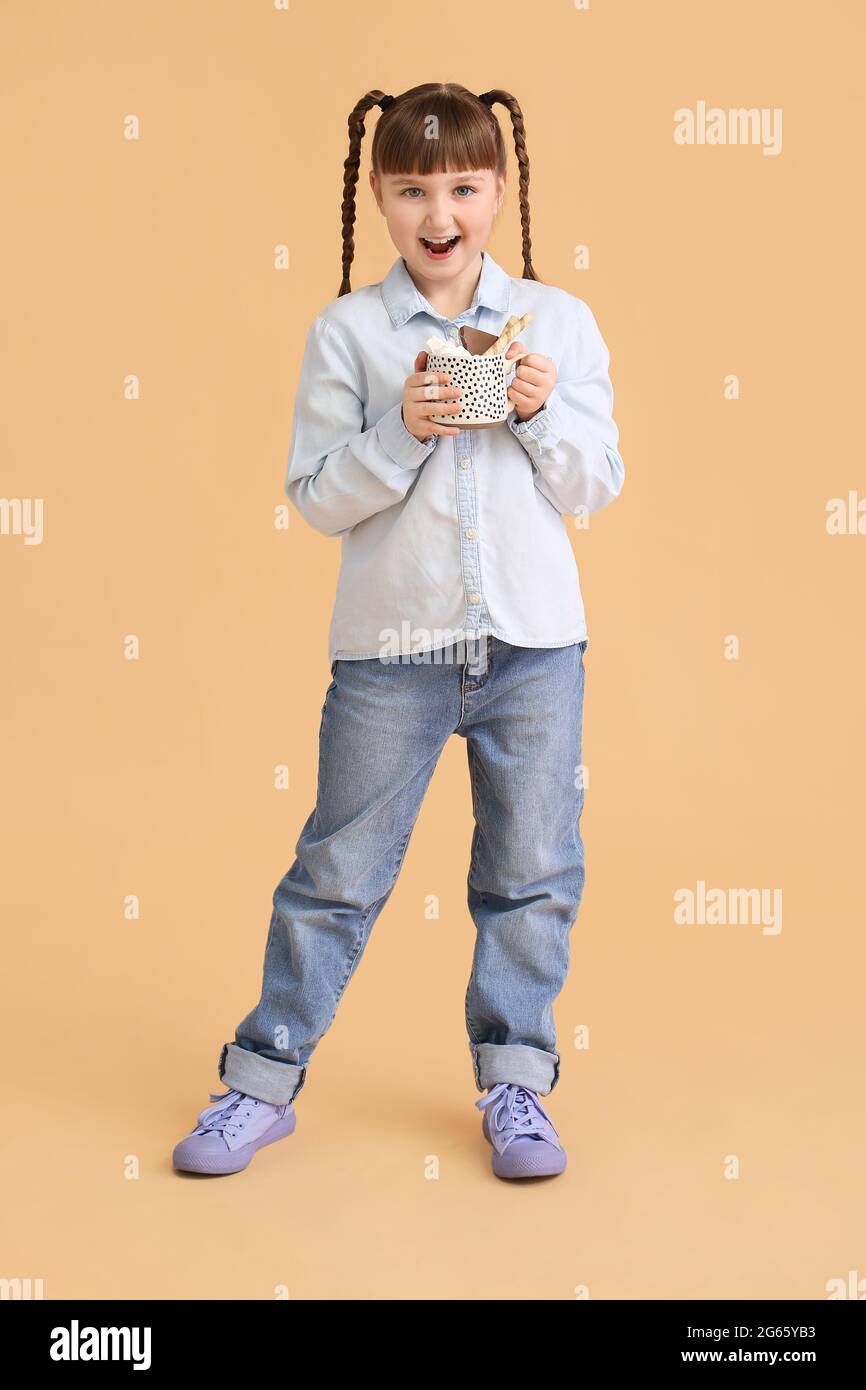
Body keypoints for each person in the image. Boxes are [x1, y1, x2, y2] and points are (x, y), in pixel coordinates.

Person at [172, 82, 625, 1182]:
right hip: (392, 650)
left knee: (530, 867)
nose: (440, 212)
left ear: (498, 191)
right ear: (378, 193)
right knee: (335, 869)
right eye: (414, 187)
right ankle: (259, 1080)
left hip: (533, 649)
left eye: (463, 186)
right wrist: (401, 430)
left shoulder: (555, 324)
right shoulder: (349, 332)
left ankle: (515, 1082)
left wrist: (534, 409)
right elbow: (317, 495)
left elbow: (596, 483)